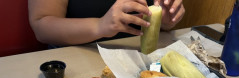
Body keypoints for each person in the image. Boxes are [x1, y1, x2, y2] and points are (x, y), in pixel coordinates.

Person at [28, 0, 185, 46]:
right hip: (77, 62)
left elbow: (160, 19)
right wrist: (100, 26)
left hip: (142, 62)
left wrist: (165, 20)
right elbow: (42, 26)